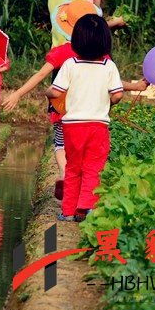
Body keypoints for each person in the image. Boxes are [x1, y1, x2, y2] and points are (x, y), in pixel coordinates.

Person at [3, 0, 146, 201]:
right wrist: (136, 86)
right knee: (89, 154)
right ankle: (83, 192)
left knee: (61, 144)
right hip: (92, 113)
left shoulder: (62, 51)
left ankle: (63, 173)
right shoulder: (102, 55)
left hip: (62, 108)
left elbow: (40, 75)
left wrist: (18, 93)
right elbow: (113, 83)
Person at [46, 14, 123, 222]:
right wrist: (109, 102)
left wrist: (47, 92)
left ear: (77, 41)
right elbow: (117, 94)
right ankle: (87, 206)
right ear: (106, 41)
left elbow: (55, 91)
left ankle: (68, 210)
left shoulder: (70, 64)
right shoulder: (108, 66)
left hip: (72, 126)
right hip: (97, 125)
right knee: (93, 167)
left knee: (73, 167)